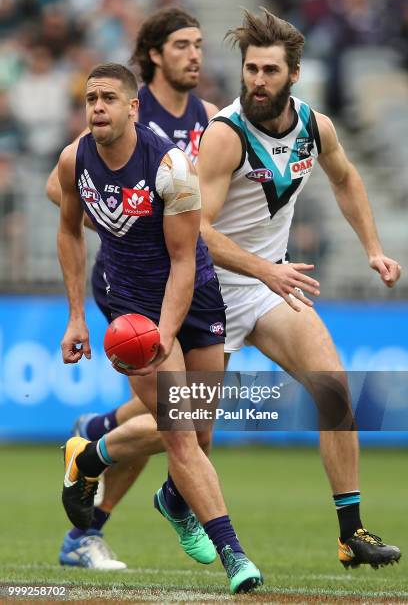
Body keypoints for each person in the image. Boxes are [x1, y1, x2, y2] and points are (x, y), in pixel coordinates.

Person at [197, 8, 402, 570]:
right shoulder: (225, 136)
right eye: (251, 69)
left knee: (334, 391)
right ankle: (97, 453)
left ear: (294, 75)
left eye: (269, 70)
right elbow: (196, 229)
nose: (257, 80)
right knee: (185, 428)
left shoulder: (316, 126)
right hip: (208, 290)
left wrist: (373, 249)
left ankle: (351, 533)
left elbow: (346, 177)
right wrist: (266, 269)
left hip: (267, 290)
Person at [57, 62, 262, 594]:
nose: (97, 107)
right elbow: (68, 231)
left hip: (193, 297)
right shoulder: (73, 160)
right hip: (131, 306)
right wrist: (78, 316)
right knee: (180, 432)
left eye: (108, 98)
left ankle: (94, 452)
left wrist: (169, 333)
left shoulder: (171, 166)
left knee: (201, 430)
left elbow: (184, 261)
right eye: (90, 98)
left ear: (132, 108)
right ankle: (234, 555)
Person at [46, 7, 219, 570]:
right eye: (181, 45)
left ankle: (97, 436)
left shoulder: (210, 117)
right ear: (153, 57)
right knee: (179, 426)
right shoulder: (118, 110)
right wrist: (119, 220)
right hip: (133, 290)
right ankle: (88, 529)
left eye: (198, 44)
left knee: (199, 423)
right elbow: (62, 190)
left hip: (196, 277)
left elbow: (204, 221)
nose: (195, 54)